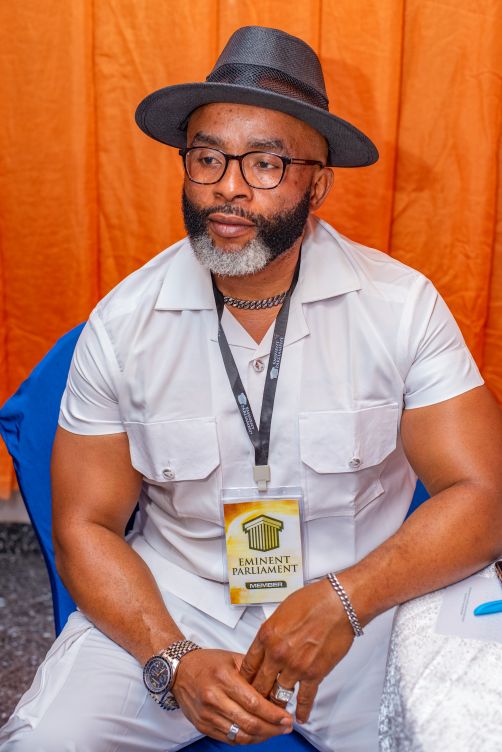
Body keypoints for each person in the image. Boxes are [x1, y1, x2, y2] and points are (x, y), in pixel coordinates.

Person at [1, 24, 501, 752]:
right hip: (179, 605)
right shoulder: (123, 323)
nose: (229, 187)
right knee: (45, 741)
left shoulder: (401, 307)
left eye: (266, 163)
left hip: (365, 609)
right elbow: (85, 525)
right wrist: (170, 657)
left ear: (318, 183)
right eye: (208, 158)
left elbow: (484, 495)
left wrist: (347, 600)